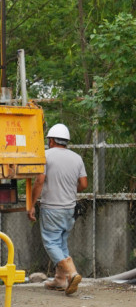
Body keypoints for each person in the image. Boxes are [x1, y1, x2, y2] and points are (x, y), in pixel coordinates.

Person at [28, 123, 87, 294]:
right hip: (70, 209)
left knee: (51, 243)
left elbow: (39, 181)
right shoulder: (77, 158)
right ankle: (61, 280)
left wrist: (31, 205)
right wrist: (69, 190)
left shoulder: (45, 156)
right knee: (61, 243)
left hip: (52, 208)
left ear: (52, 140)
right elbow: (83, 184)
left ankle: (72, 273)